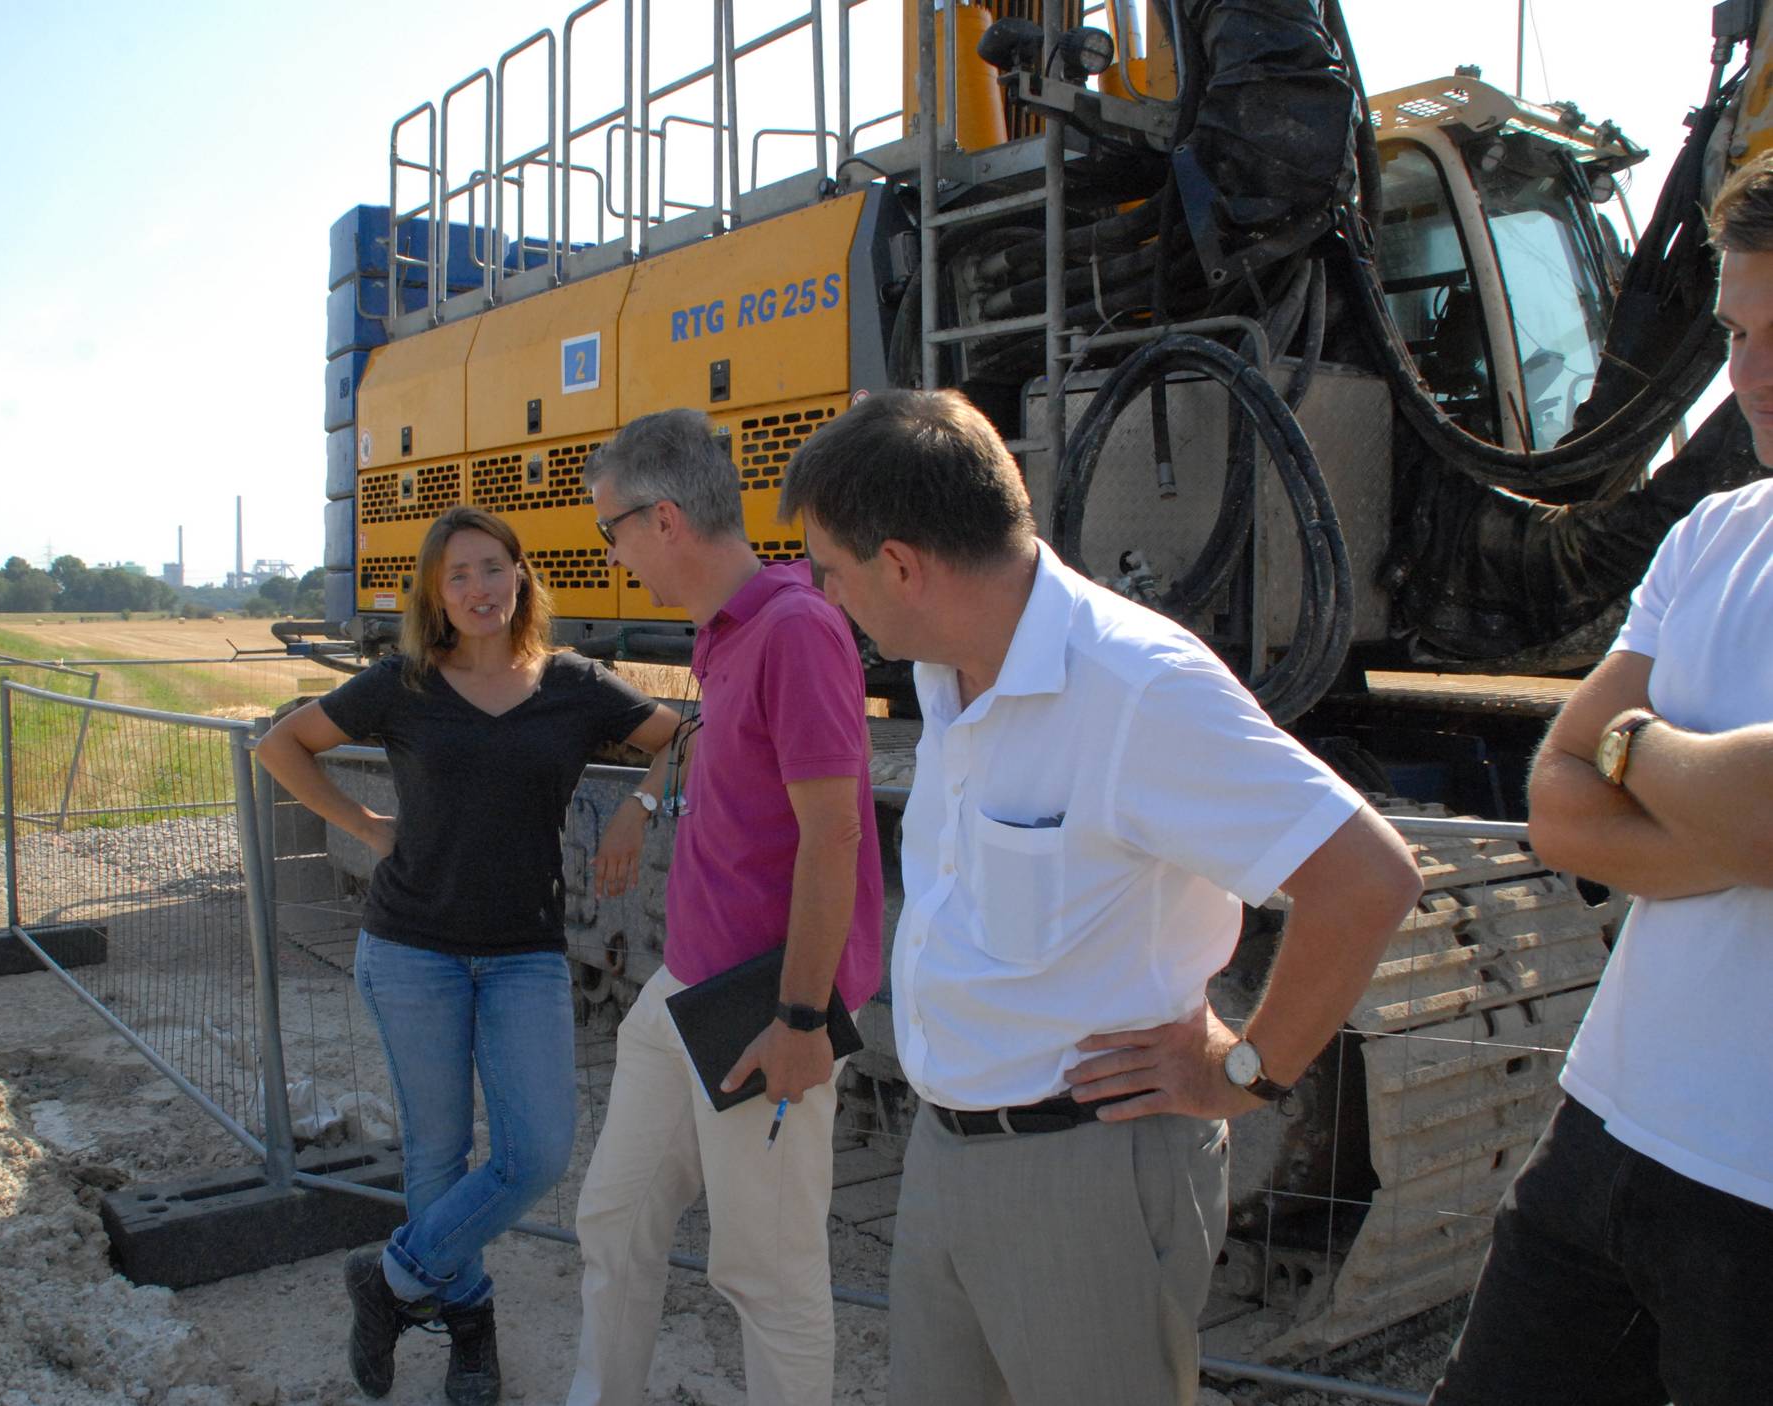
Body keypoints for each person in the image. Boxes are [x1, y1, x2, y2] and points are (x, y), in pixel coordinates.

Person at [777, 388, 1421, 1406]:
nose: (828, 594)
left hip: (1088, 1180)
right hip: (947, 1156)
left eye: (834, 571)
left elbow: (1368, 878)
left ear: (901, 564)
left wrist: (1248, 1070)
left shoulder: (1136, 686)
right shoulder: (952, 677)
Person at [1425, 156, 1773, 1406]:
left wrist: (1634, 751)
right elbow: (1558, 795)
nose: (1748, 378)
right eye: (1737, 332)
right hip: (1609, 1130)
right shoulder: (1716, 534)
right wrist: (1707, 806)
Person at [255, 504, 679, 1406]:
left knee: (536, 1154)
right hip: (411, 951)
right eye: (459, 576)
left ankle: (392, 1283)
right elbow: (280, 745)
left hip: (524, 953)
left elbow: (683, 738)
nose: (480, 589)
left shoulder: (573, 683)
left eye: (494, 568)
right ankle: (469, 1323)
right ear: (435, 596)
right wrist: (363, 822)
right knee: (439, 1159)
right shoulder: (402, 683)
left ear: (521, 576)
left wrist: (643, 808)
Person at [565, 408, 884, 1406]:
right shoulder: (729, 630)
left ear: (663, 519)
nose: (611, 555)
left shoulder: (794, 628)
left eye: (609, 528)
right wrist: (649, 798)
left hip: (761, 1012)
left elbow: (835, 837)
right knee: (613, 1220)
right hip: (686, 991)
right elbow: (714, 743)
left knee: (768, 1273)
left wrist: (799, 1022)